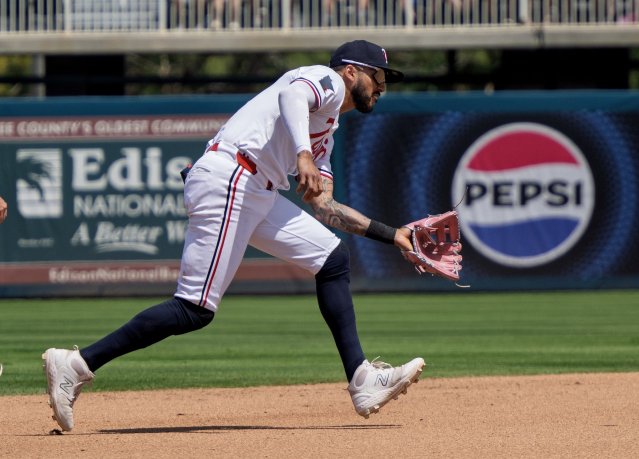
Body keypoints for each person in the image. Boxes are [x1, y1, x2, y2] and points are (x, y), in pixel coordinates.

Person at [42, 40, 425, 432]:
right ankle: (75, 364)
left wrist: (392, 234)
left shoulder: (326, 130)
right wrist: (301, 155)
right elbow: (293, 95)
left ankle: (361, 380)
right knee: (194, 309)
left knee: (331, 257)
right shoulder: (326, 80)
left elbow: (326, 207)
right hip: (233, 177)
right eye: (378, 76)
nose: (382, 86)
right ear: (351, 72)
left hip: (256, 190)